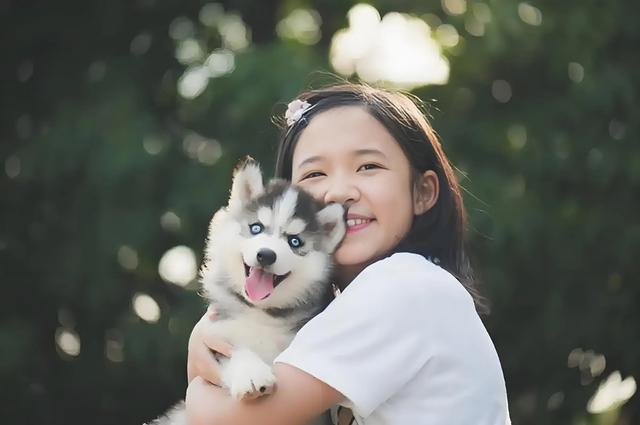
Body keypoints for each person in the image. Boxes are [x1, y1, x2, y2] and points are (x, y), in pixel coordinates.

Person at [184, 83, 511, 425]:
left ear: (422, 192)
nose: (339, 193)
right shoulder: (383, 294)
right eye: (315, 173)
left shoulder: (402, 286)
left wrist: (201, 372)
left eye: (368, 166)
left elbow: (226, 420)